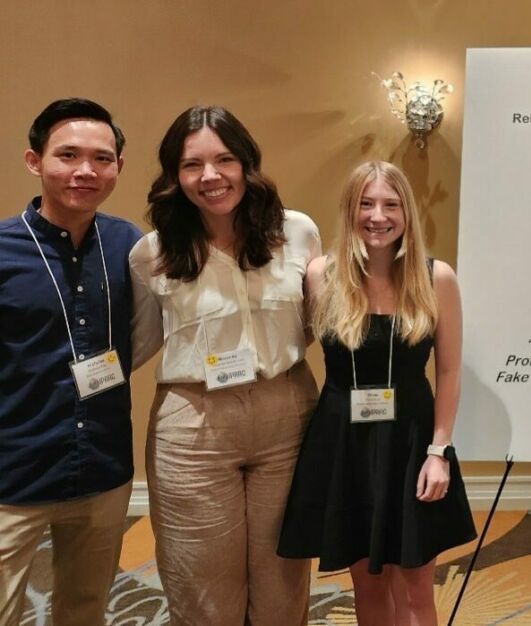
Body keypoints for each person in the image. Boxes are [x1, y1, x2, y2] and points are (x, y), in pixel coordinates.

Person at [129, 106, 320, 625]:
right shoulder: (151, 252)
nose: (210, 177)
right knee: (202, 588)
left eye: (225, 160)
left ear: (247, 165)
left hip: (287, 416)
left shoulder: (296, 232)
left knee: (284, 580)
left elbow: (317, 322)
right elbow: (140, 341)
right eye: (193, 165)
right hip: (194, 428)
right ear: (175, 175)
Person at [278, 161, 475, 625]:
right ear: (350, 211)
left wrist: (438, 451)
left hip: (412, 443)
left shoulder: (436, 278)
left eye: (391, 204)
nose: (377, 216)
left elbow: (447, 371)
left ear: (407, 212)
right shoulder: (320, 276)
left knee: (417, 592)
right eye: (366, 203)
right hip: (345, 444)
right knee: (367, 589)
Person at [0, 98, 140, 626]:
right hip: (13, 472)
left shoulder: (131, 245)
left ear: (118, 168)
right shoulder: (3, 250)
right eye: (68, 155)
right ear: (34, 161)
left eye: (102, 158)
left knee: (85, 610)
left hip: (103, 467)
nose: (86, 170)